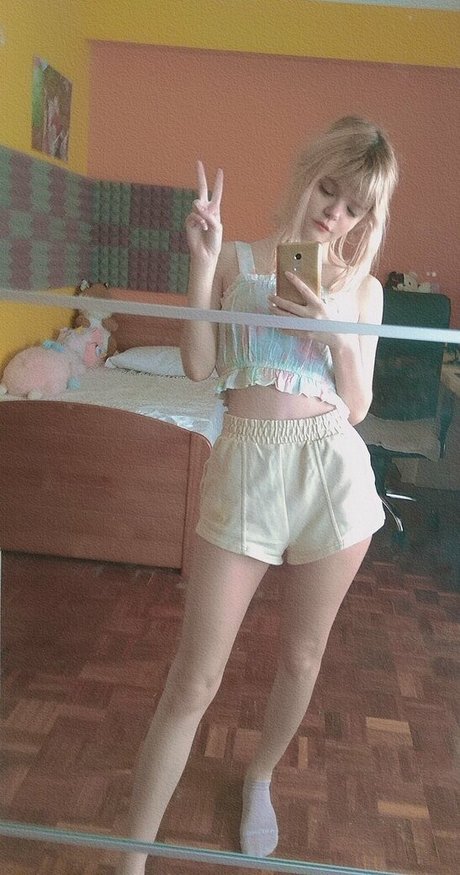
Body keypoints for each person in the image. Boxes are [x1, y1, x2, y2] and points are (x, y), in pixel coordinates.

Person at [116, 116, 399, 874]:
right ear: (307, 173)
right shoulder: (239, 259)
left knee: (302, 658)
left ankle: (262, 775)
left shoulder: (364, 289)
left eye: (355, 207)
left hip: (330, 476)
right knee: (194, 677)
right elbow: (199, 366)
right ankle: (129, 861)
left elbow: (359, 405)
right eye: (329, 190)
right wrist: (202, 264)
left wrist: (334, 331)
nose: (334, 214)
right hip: (244, 465)